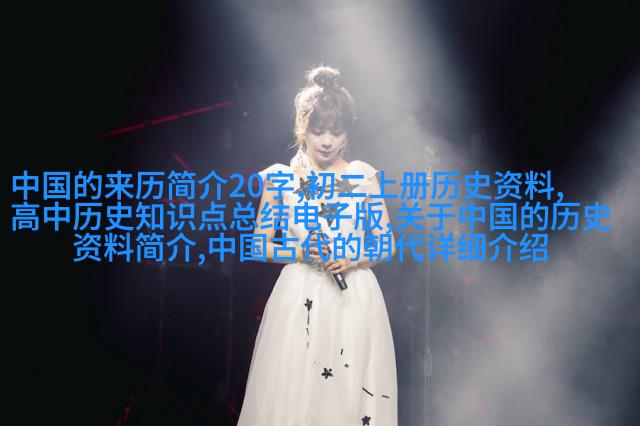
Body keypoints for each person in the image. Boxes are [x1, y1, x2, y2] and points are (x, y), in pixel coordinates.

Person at [238, 65, 397, 426]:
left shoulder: (362, 176)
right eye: (318, 130)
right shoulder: (282, 177)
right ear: (302, 128)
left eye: (336, 132)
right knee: (295, 392)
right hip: (300, 296)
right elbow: (259, 244)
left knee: (347, 392)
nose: (327, 141)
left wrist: (353, 258)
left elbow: (385, 243)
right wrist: (300, 252)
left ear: (347, 132)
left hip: (352, 298)